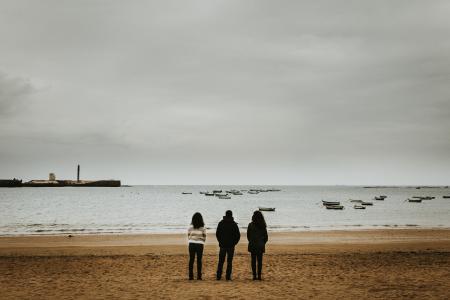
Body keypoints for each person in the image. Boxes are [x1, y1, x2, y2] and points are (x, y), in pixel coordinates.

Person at [216, 210, 240, 280]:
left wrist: (220, 241)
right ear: (231, 215)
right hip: (230, 246)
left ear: (225, 215)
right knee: (229, 262)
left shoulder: (221, 223)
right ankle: (228, 276)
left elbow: (217, 234)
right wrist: (234, 243)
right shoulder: (234, 224)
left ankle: (218, 276)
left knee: (221, 261)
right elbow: (238, 236)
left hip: (223, 245)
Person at [247, 210, 268, 280]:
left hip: (253, 244)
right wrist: (262, 243)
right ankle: (259, 276)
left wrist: (251, 241)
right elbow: (266, 237)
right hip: (260, 245)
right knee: (259, 261)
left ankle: (254, 275)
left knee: (253, 261)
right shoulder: (263, 225)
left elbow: (248, 236)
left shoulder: (250, 225)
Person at [188, 212, 206, 280]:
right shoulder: (203, 228)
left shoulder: (190, 228)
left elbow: (188, 236)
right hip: (200, 244)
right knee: (199, 260)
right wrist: (202, 242)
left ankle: (191, 276)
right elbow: (204, 237)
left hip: (191, 244)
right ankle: (199, 276)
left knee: (191, 260)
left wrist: (191, 240)